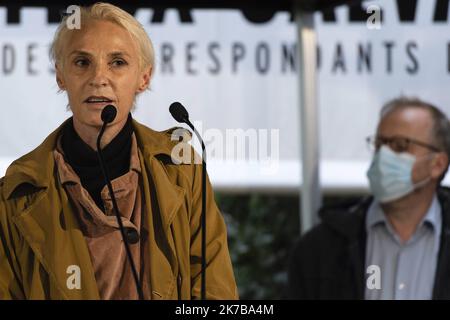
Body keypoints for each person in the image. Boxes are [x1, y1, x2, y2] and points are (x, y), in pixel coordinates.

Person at [0, 2, 238, 300]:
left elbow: (214, 292)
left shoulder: (182, 170)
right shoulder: (15, 193)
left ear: (144, 78)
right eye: (82, 62)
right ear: (61, 76)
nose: (99, 78)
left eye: (118, 62)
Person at [288, 97, 450, 299]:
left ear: (438, 164)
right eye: (379, 145)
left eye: (400, 146)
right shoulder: (322, 248)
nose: (383, 157)